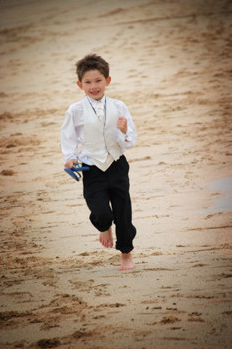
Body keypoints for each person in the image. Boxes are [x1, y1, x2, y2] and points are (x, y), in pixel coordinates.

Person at [61, 54, 137, 270]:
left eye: (98, 81)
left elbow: (130, 141)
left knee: (123, 214)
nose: (94, 87)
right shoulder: (74, 110)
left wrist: (123, 131)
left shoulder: (119, 106)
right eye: (88, 82)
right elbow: (68, 138)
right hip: (92, 169)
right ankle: (104, 226)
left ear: (108, 81)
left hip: (117, 166)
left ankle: (126, 255)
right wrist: (70, 158)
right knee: (102, 213)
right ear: (79, 84)